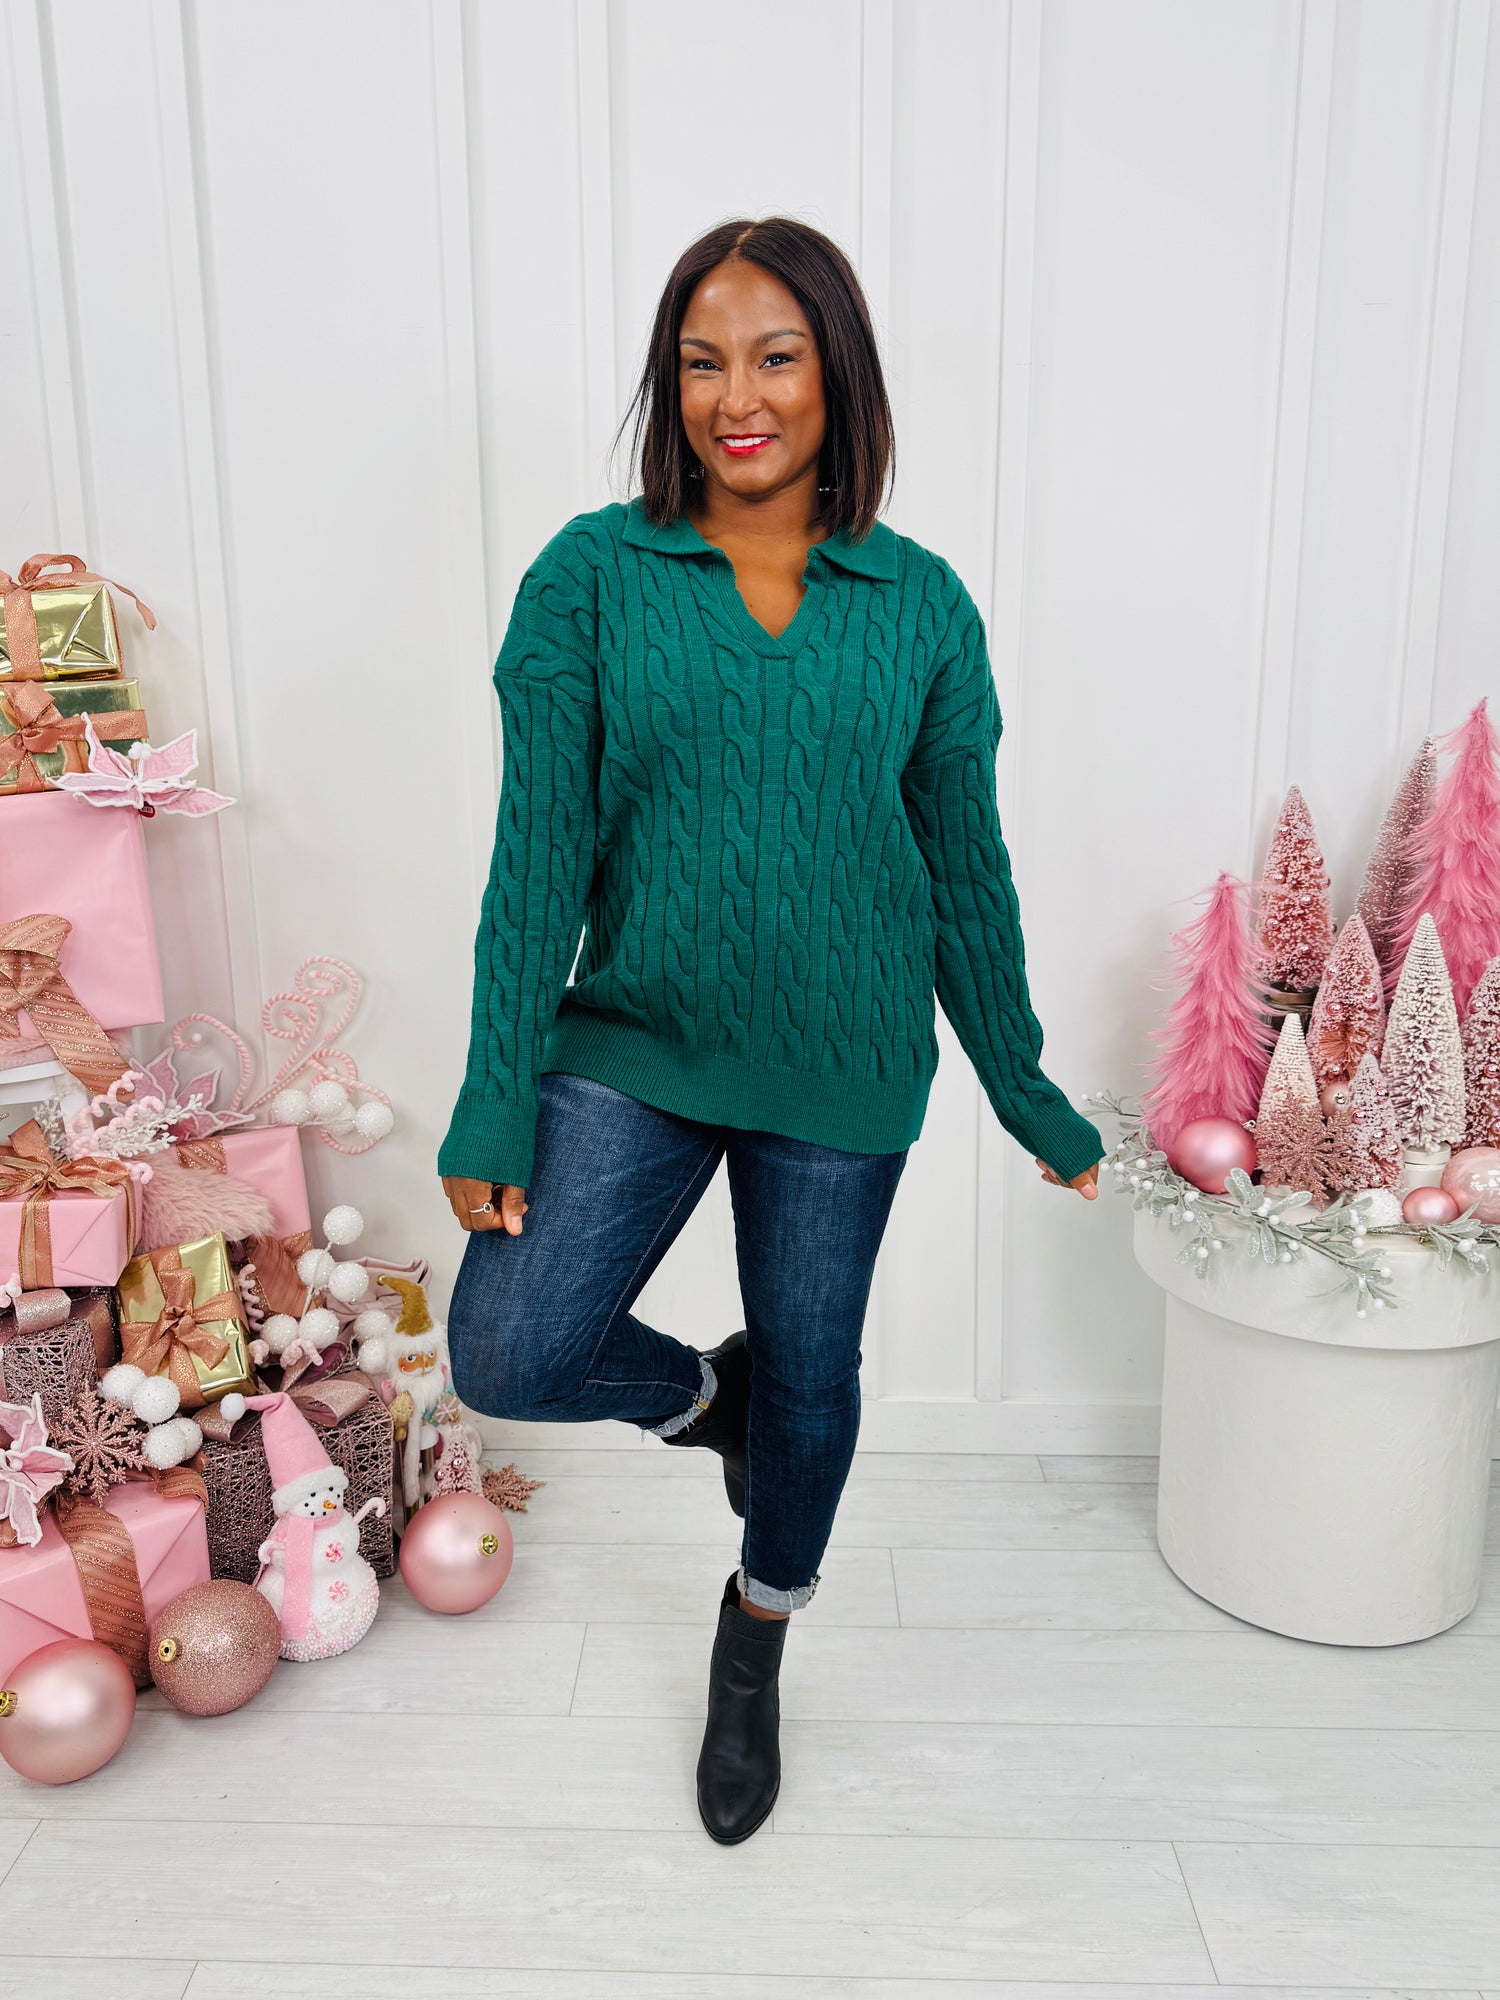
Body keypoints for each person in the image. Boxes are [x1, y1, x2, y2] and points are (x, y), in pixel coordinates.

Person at [439, 215, 1104, 1845]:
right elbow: (539, 858)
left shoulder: (920, 604)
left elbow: (964, 871)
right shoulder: (593, 575)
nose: (737, 397)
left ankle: (755, 1646)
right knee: (511, 1349)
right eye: (701, 363)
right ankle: (705, 1404)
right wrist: (492, 1099)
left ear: (837, 373)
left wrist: (1024, 1087)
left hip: (844, 1060)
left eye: (776, 356)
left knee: (816, 1371)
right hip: (635, 1038)